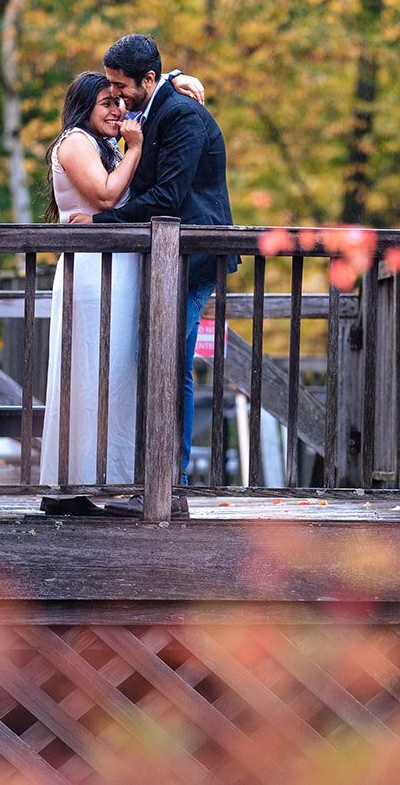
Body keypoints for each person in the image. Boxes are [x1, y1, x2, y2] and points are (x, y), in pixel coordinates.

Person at [38, 68, 204, 516]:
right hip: (92, 276)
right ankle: (70, 483)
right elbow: (108, 196)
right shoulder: (74, 142)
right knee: (87, 372)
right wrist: (136, 147)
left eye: (120, 100)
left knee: (117, 378)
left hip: (120, 271)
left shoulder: (106, 143)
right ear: (84, 107)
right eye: (107, 103)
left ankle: (108, 480)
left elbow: (152, 86)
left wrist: (180, 81)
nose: (118, 110)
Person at [93, 33, 236, 481]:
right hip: (169, 258)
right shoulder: (156, 105)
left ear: (148, 78)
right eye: (111, 83)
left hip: (193, 257)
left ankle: (170, 478)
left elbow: (168, 196)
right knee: (162, 360)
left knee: (166, 360)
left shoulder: (182, 117)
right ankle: (166, 475)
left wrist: (106, 222)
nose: (115, 92)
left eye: (121, 84)